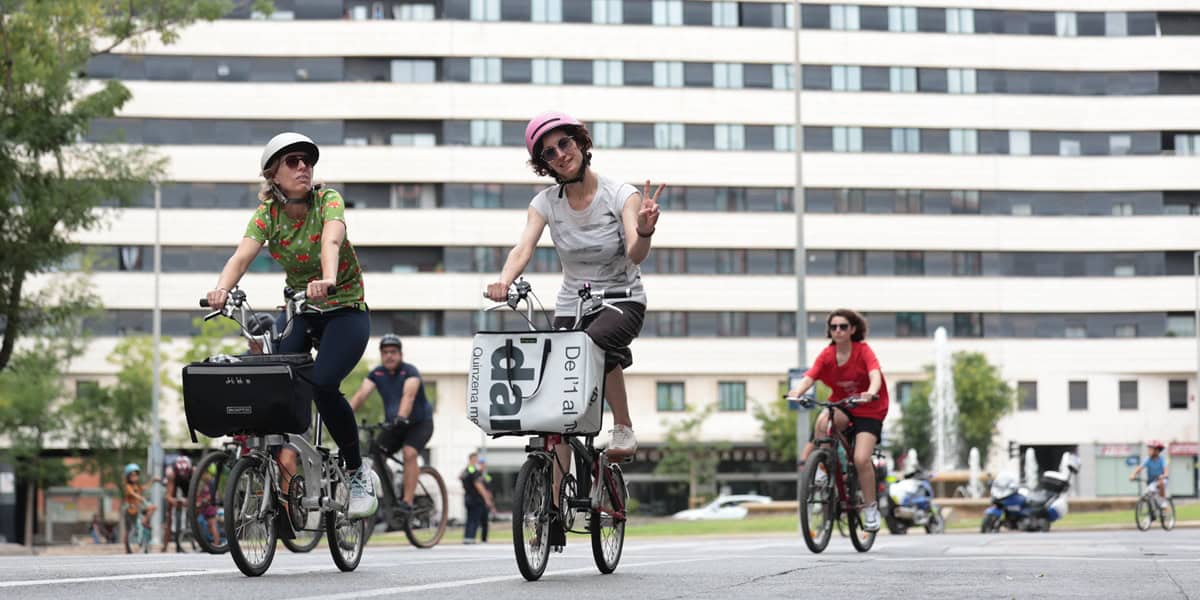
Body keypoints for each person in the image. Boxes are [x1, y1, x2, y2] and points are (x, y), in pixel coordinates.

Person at [205, 131, 376, 518]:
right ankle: (274, 463)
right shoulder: (267, 215)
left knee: (324, 384)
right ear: (273, 175)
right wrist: (221, 290)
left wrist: (328, 279)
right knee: (274, 379)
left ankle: (356, 472)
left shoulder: (327, 200)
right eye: (293, 162)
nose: (303, 168)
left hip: (345, 309)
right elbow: (240, 258)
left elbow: (331, 242)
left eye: (307, 161)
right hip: (301, 309)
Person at [485, 111, 662, 457]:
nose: (560, 155)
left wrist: (644, 230)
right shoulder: (545, 204)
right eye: (549, 153)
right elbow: (523, 248)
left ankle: (623, 428)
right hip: (573, 302)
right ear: (544, 164)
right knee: (554, 391)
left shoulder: (620, 195)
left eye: (564, 144)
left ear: (580, 143)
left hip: (621, 299)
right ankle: (553, 491)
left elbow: (636, 254)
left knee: (591, 344)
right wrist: (504, 281)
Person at [785, 309, 890, 532]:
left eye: (843, 326)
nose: (838, 331)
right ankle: (823, 466)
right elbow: (810, 377)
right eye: (834, 327)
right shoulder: (827, 354)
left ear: (853, 329)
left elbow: (875, 375)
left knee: (861, 459)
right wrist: (797, 392)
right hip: (844, 404)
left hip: (869, 408)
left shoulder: (863, 351)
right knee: (823, 422)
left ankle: (871, 508)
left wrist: (871, 392)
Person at [349, 333, 434, 515]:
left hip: (419, 424)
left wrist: (401, 416)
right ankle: (390, 495)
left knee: (409, 453)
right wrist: (344, 416)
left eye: (393, 352)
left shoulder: (410, 372)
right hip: (394, 426)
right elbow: (361, 395)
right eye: (385, 352)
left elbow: (408, 396)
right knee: (375, 456)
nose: (389, 356)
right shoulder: (377, 373)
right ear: (381, 355)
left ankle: (407, 501)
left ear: (400, 354)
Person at [122, 463, 159, 553]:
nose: (135, 477)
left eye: (136, 475)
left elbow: (145, 487)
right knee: (128, 529)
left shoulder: (137, 486)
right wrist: (140, 498)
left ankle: (144, 521)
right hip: (130, 510)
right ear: (128, 477)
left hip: (138, 508)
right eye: (132, 475)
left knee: (153, 507)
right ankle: (127, 548)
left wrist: (153, 480)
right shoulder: (128, 486)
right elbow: (132, 493)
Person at [160, 455, 193, 552]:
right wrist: (173, 501)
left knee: (195, 507)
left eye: (185, 474)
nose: (183, 477)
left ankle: (199, 540)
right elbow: (168, 496)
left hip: (188, 486)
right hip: (174, 484)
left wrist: (190, 501)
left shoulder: (194, 471)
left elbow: (197, 493)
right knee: (169, 517)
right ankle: (164, 546)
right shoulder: (172, 474)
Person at [461, 452, 495, 544]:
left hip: (468, 497)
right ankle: (470, 538)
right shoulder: (473, 471)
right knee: (474, 519)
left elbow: (460, 477)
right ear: (473, 459)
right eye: (477, 459)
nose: (478, 462)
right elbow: (478, 485)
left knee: (470, 519)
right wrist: (487, 499)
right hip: (475, 499)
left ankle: (467, 537)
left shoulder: (466, 470)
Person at [1129, 440, 1170, 508]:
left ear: (1157, 451)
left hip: (1162, 479)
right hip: (1152, 481)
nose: (1149, 451)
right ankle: (1152, 511)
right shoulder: (1147, 459)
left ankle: (1163, 502)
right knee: (1148, 494)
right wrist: (1133, 474)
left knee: (1160, 483)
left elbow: (1166, 471)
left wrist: (1164, 475)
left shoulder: (1162, 460)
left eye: (1151, 449)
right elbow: (1139, 468)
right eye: (1149, 449)